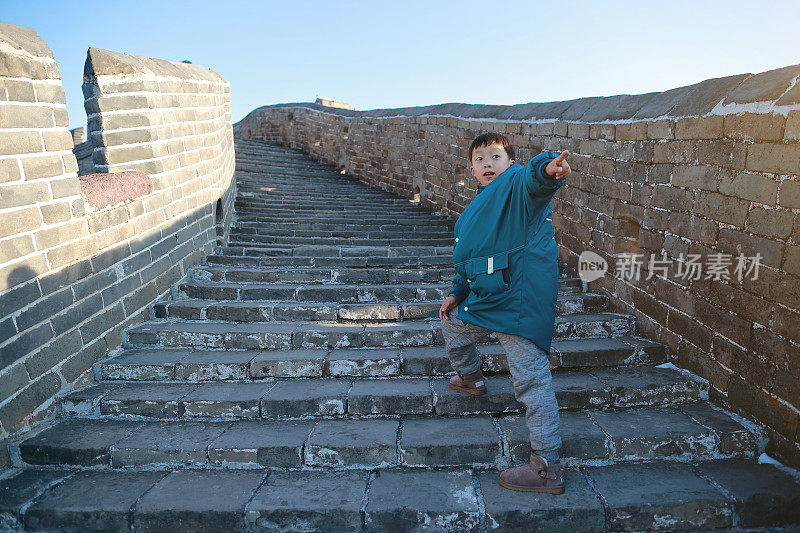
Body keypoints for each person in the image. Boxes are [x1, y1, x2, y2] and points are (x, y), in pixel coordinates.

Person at [438, 132, 570, 494]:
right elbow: (466, 261)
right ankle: (471, 378)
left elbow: (536, 181)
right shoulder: (469, 216)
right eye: (479, 160)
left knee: (531, 380)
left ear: (510, 162)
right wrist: (456, 292)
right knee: (452, 327)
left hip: (518, 298)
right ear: (471, 170)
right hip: (486, 298)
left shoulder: (516, 184)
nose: (487, 164)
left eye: (495, 157)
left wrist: (547, 169)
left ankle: (546, 468)